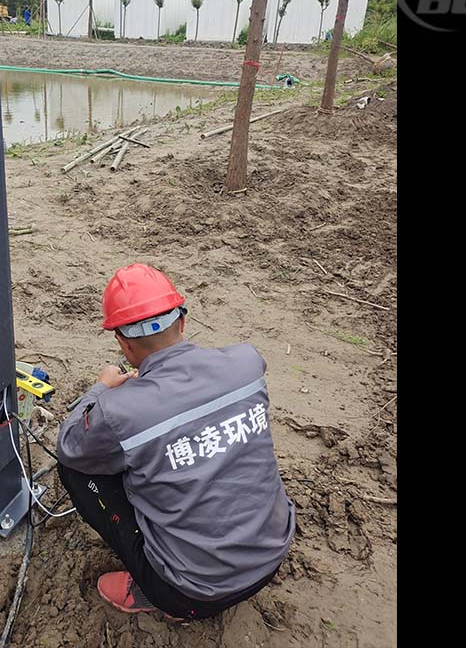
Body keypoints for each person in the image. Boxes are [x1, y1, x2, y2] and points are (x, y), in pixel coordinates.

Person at [56, 263, 295, 621]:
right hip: (272, 557)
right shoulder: (246, 363)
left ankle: (153, 590)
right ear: (181, 323)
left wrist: (102, 387)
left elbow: (70, 445)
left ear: (122, 343)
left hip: (191, 592)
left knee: (75, 466)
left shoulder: (118, 412)